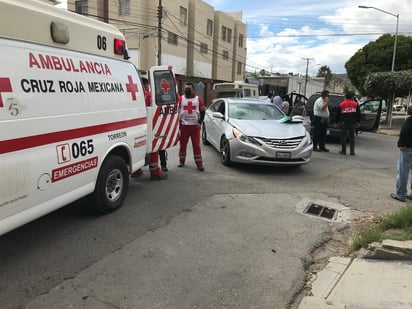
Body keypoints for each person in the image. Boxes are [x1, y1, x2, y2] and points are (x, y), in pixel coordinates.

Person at [132, 77, 167, 180]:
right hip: (149, 127)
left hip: (135, 127)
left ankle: (136, 171)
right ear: (146, 85)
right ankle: (155, 172)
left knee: (137, 148)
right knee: (154, 149)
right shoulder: (149, 96)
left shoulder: (134, 95)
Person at [178, 82, 205, 171]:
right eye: (185, 88)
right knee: (182, 145)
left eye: (189, 89)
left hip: (194, 127)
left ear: (193, 90)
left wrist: (200, 123)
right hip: (184, 126)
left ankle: (199, 164)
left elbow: (202, 112)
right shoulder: (181, 99)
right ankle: (181, 161)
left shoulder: (198, 100)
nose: (186, 90)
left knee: (196, 145)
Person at [391, 104, 412, 202]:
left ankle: (401, 195)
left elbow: (404, 132)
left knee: (403, 172)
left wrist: (402, 144)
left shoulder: (409, 120)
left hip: (407, 149)